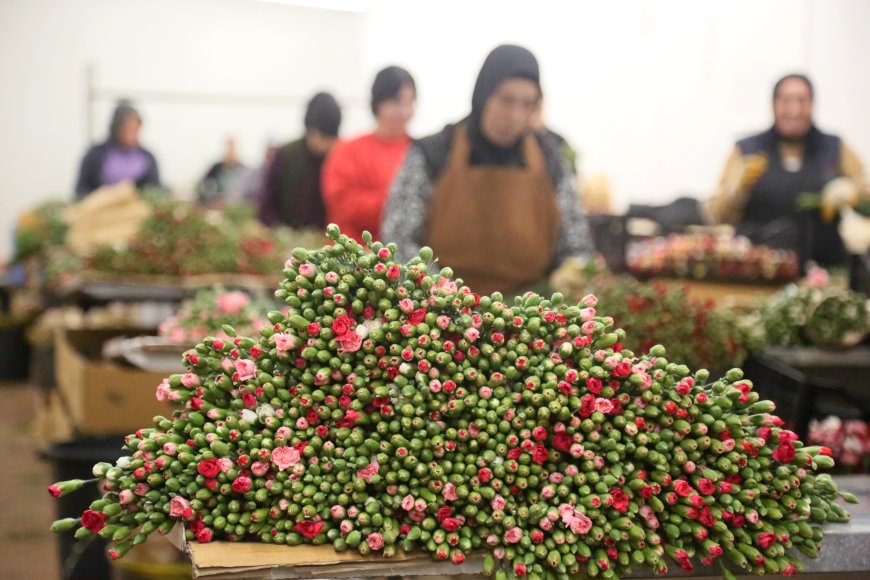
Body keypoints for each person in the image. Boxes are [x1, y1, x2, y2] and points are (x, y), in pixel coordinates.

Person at [381, 45, 594, 295]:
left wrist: (572, 273)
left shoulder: (551, 159)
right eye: (506, 100)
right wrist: (440, 290)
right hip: (441, 312)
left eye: (527, 103)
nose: (515, 115)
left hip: (530, 315)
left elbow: (577, 246)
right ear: (483, 94)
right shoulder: (434, 153)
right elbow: (397, 239)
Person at [705, 74, 868, 266]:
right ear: (773, 105)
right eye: (786, 101)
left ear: (812, 104)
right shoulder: (746, 150)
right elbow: (715, 216)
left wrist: (853, 194)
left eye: (802, 100)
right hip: (758, 270)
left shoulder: (835, 148)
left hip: (823, 271)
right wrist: (734, 193)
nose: (795, 110)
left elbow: (866, 199)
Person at [321, 66, 416, 243]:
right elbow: (342, 205)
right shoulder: (348, 151)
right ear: (377, 103)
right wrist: (398, 202)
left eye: (410, 103)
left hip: (407, 260)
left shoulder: (420, 152)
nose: (404, 111)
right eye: (396, 102)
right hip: (354, 258)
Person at [259, 93, 341, 228]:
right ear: (310, 131)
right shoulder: (286, 155)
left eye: (331, 139)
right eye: (323, 137)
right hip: (289, 240)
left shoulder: (340, 156)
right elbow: (267, 205)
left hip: (328, 241)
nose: (327, 145)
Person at [75, 101, 161, 198]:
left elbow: (155, 189)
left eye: (135, 129)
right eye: (127, 128)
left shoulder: (147, 158)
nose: (131, 134)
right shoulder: (96, 155)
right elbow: (81, 189)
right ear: (117, 127)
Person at [196, 138, 251, 207]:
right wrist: (210, 200)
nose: (230, 153)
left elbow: (250, 192)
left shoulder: (244, 170)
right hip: (217, 206)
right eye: (228, 150)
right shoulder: (215, 168)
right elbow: (203, 186)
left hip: (237, 206)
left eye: (232, 150)